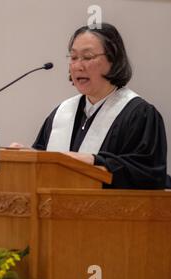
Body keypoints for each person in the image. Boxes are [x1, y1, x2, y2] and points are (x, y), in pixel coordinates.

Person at [30, 23, 168, 189]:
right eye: (73, 58)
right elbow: (41, 167)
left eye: (87, 57)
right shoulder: (62, 113)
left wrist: (94, 160)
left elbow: (148, 173)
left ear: (113, 60)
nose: (78, 66)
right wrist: (28, 157)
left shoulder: (139, 114)